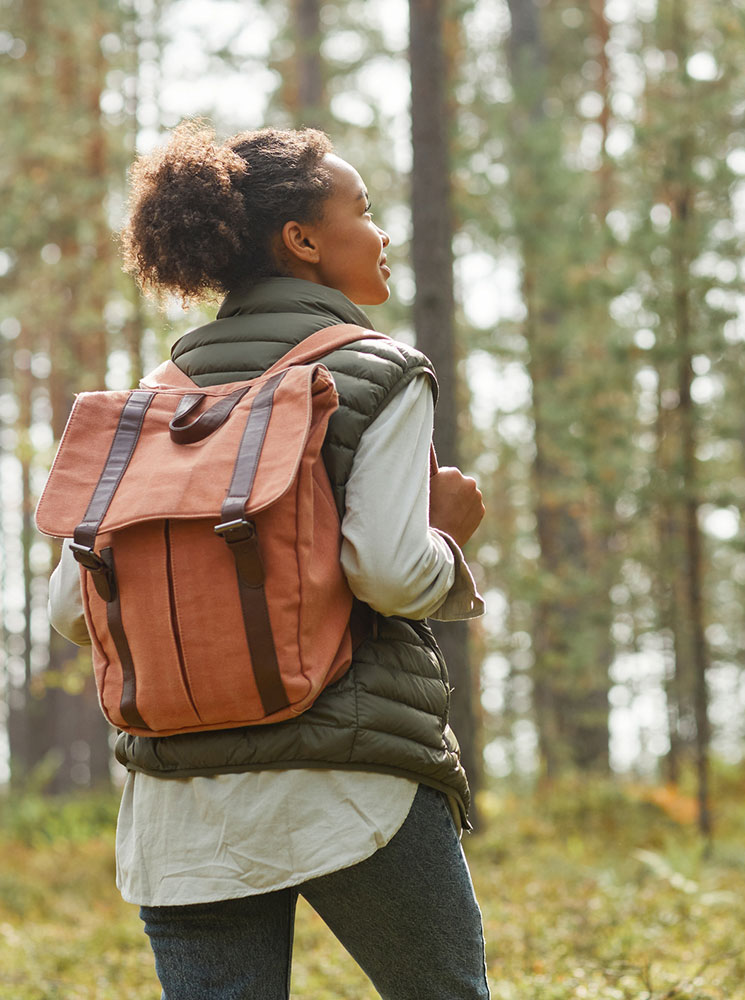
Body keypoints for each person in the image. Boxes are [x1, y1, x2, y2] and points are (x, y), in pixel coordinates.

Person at [47, 122, 490, 1000]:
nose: (381, 231)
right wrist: (448, 535)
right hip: (349, 782)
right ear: (303, 241)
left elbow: (73, 608)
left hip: (183, 810)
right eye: (362, 210)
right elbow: (391, 575)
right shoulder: (377, 372)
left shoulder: (150, 405)